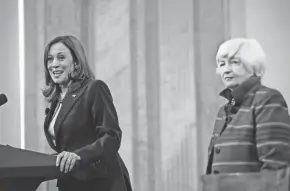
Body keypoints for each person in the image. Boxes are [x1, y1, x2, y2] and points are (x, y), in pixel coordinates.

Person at [42, 35, 132, 191]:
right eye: (50, 59)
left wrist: (79, 155)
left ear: (76, 63)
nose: (54, 64)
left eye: (61, 58)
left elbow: (111, 136)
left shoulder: (94, 89)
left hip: (101, 182)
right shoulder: (56, 102)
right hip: (71, 183)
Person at [206, 38, 290, 175]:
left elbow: (276, 168)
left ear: (253, 66)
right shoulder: (223, 111)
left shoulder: (267, 99)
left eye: (234, 62)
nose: (226, 70)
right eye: (222, 64)